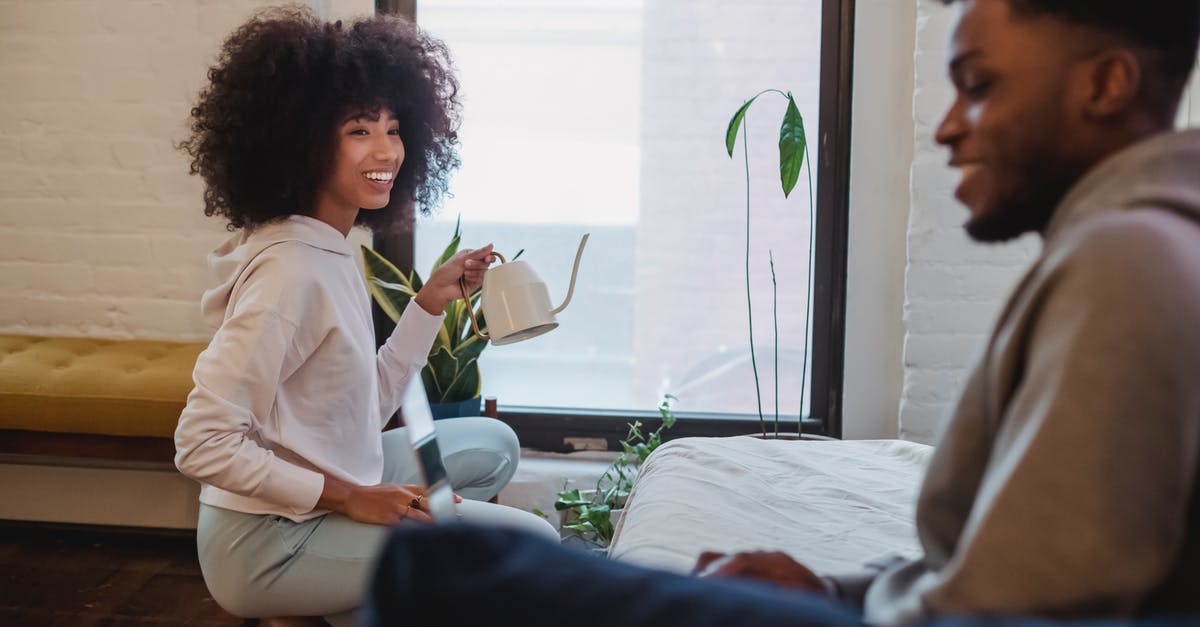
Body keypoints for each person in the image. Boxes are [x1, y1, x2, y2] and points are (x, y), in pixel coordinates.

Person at [362, 1, 1200, 625]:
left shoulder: (1129, 263)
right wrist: (832, 584)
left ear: (1104, 83)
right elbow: (996, 564)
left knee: (443, 566)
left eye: (978, 87)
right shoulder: (1130, 247)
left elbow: (1029, 605)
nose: (947, 126)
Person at [172, 7, 556, 626]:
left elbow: (361, 407)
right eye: (358, 130)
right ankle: (330, 592)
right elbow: (201, 442)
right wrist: (355, 499)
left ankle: (355, 592)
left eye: (394, 128)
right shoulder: (291, 272)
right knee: (528, 546)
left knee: (493, 445)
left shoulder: (328, 244)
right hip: (263, 543)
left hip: (314, 491)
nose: (387, 151)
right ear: (302, 141)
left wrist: (430, 301)